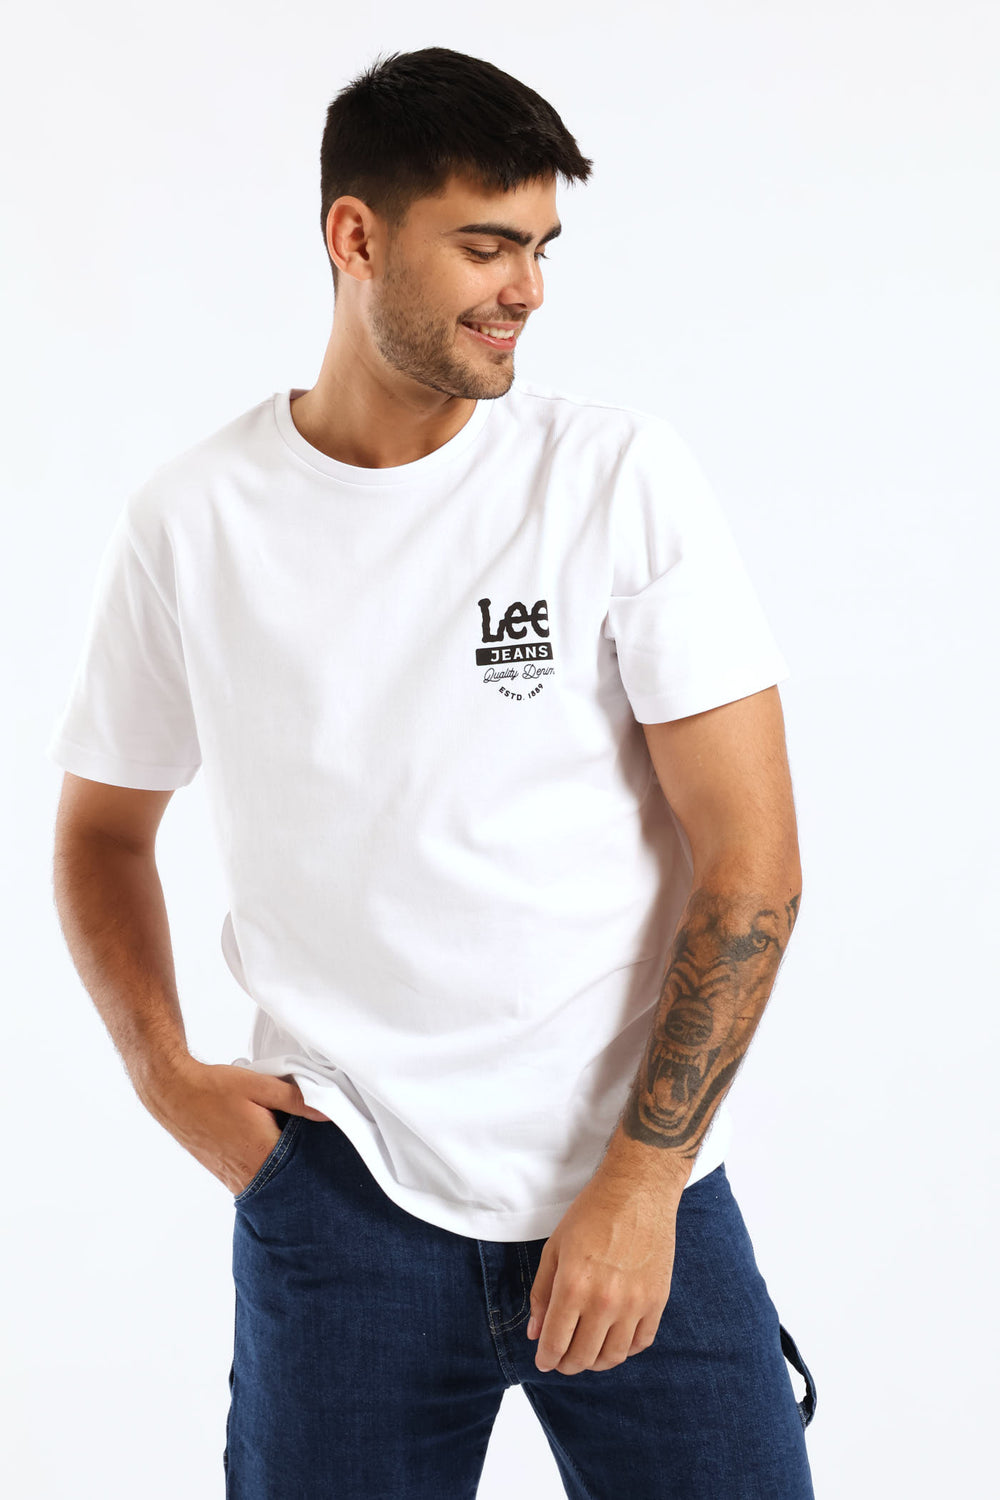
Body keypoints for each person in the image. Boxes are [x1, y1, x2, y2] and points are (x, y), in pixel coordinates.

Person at [47, 45, 817, 1499]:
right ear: (355, 237)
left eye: (541, 248)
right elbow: (101, 828)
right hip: (343, 1208)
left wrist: (640, 1184)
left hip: (635, 1187)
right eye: (484, 245)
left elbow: (753, 862)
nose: (527, 288)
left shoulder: (612, 478)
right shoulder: (194, 522)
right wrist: (163, 1073)